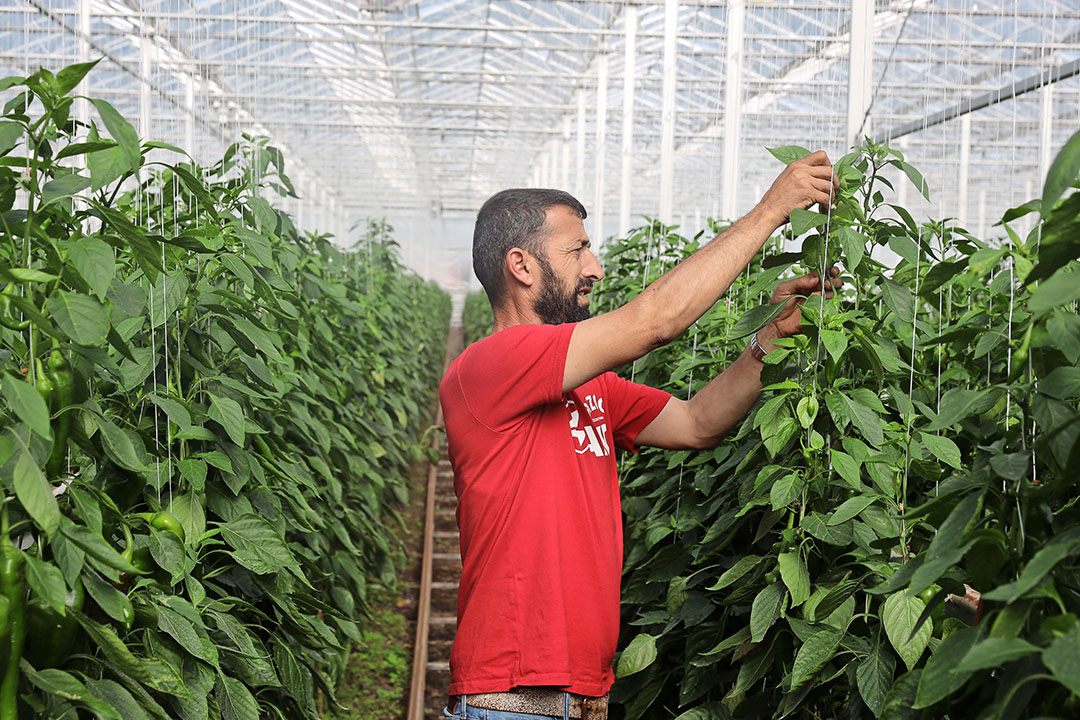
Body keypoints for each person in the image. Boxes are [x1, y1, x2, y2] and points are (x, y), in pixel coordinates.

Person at [440, 151, 841, 720]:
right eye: (577, 250)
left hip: (581, 694)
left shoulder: (591, 387)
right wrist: (771, 210)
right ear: (522, 266)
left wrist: (770, 338)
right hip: (512, 694)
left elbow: (698, 422)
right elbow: (658, 321)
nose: (595, 266)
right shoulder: (492, 365)